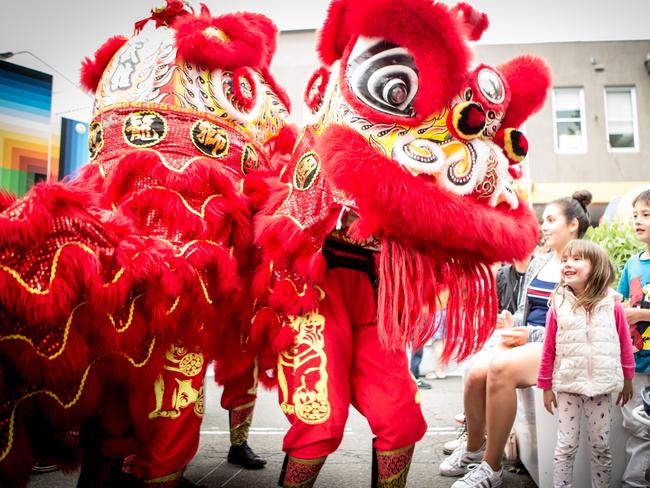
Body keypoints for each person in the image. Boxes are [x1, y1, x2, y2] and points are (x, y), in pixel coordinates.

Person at [440, 190, 593, 488]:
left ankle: (492, 466)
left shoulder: (586, 262)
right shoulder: (540, 262)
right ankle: (473, 450)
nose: (544, 227)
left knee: (499, 369)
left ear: (573, 225)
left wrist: (530, 334)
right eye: (543, 221)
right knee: (473, 371)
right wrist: (514, 325)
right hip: (527, 340)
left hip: (560, 346)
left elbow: (581, 323)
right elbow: (527, 308)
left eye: (551, 220)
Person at [537, 240, 635, 487]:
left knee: (601, 447)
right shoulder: (558, 306)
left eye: (577, 259)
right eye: (565, 260)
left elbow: (624, 343)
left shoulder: (612, 306)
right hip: (568, 386)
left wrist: (627, 379)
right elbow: (548, 348)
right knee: (566, 446)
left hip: (601, 388)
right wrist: (546, 385)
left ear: (597, 267)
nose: (568, 264)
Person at [617, 189, 650, 487]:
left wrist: (640, 316)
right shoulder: (632, 264)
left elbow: (635, 313)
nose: (638, 220)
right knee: (638, 428)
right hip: (638, 361)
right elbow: (624, 303)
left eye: (646, 215)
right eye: (636, 214)